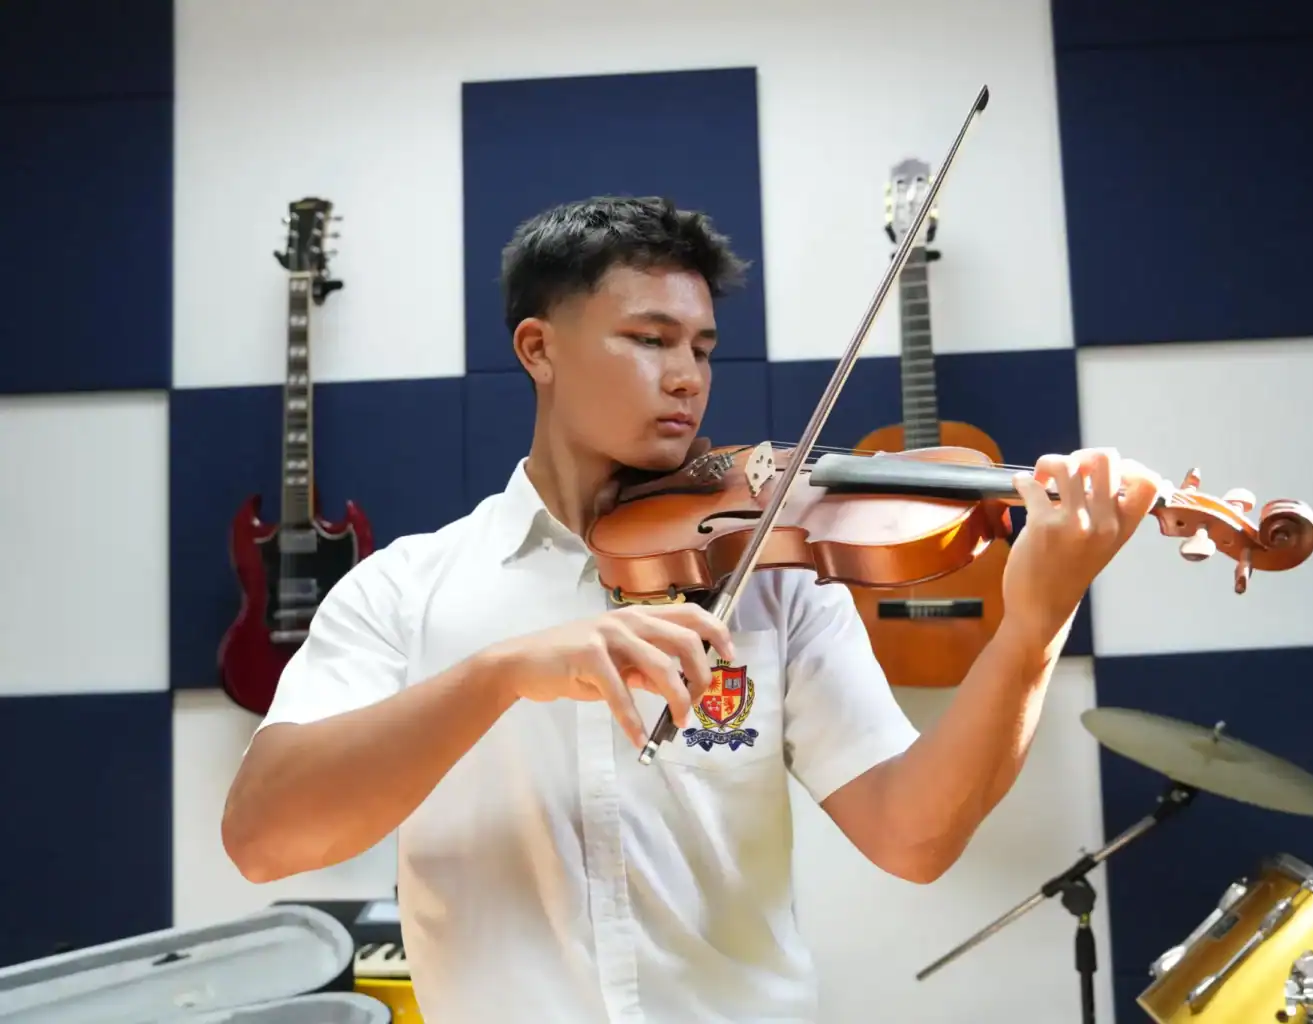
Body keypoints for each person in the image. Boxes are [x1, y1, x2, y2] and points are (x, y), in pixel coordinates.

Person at [221, 195, 1162, 1023]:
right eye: (649, 339)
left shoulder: (777, 571)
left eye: (702, 347)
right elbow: (266, 840)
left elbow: (914, 837)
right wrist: (504, 672)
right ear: (538, 348)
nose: (687, 376)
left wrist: (1034, 625)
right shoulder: (405, 589)